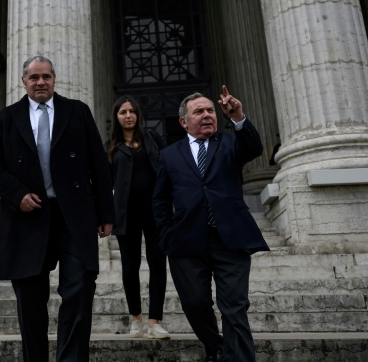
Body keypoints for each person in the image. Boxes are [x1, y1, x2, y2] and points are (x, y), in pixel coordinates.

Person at [0, 55, 115, 362]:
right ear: (24, 82)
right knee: (29, 299)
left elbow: (98, 162)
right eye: (34, 78)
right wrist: (17, 195)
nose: (41, 82)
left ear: (54, 79)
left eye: (46, 77)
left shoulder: (77, 112)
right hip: (29, 216)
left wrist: (106, 213)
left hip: (74, 217)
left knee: (79, 288)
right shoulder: (7, 118)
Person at [152, 86, 269, 362]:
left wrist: (238, 118)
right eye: (199, 111)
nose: (207, 115)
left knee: (234, 307)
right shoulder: (169, 155)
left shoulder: (230, 143)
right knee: (194, 303)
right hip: (186, 243)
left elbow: (254, 147)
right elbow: (159, 201)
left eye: (210, 110)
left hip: (230, 239)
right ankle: (215, 346)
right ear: (184, 122)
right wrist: (167, 234)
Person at [105, 96, 170, 339]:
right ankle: (136, 319)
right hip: (126, 213)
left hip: (155, 211)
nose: (128, 115)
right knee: (130, 266)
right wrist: (104, 216)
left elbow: (168, 169)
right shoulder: (111, 147)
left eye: (132, 111)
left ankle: (155, 322)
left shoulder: (153, 139)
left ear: (138, 115)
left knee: (157, 262)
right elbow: (105, 185)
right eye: (123, 112)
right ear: (117, 117)